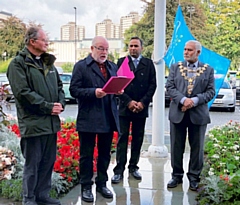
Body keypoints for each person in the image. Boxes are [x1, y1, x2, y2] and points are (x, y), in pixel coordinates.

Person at [7, 26, 65, 205]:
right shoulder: (18, 63)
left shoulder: (49, 63)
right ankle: (29, 198)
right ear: (32, 42)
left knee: (48, 162)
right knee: (32, 165)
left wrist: (60, 104)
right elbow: (23, 93)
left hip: (50, 123)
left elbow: (60, 88)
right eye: (44, 39)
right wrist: (48, 107)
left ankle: (42, 195)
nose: (47, 42)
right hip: (33, 124)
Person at [69, 36, 120, 203]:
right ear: (92, 49)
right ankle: (86, 186)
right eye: (100, 48)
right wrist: (93, 92)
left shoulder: (112, 66)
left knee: (105, 154)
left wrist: (119, 91)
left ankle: (102, 184)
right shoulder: (81, 66)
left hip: (108, 116)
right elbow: (74, 90)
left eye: (106, 49)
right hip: (89, 117)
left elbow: (114, 86)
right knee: (86, 155)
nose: (104, 52)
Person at [166, 40, 215, 191]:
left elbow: (210, 92)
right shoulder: (175, 67)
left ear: (198, 53)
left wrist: (193, 100)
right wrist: (183, 99)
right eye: (185, 49)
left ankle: (194, 177)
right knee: (176, 146)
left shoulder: (208, 70)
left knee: (197, 148)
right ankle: (176, 175)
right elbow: (169, 87)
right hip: (178, 113)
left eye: (190, 50)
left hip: (198, 115)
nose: (186, 52)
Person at [111, 36, 157, 184]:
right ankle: (119, 170)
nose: (133, 48)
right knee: (122, 138)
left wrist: (142, 103)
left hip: (141, 108)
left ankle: (133, 167)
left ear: (141, 48)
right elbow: (117, 85)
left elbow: (152, 85)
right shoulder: (122, 62)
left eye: (136, 46)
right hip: (125, 107)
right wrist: (128, 101)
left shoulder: (148, 64)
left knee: (138, 138)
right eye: (130, 46)